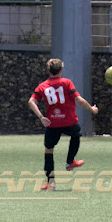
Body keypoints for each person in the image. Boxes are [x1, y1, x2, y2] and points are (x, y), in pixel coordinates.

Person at [28, 58, 99, 191]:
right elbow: (79, 100)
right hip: (68, 121)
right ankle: (70, 161)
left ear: (48, 71)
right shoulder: (66, 83)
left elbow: (31, 101)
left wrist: (41, 117)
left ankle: (51, 183)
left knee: (49, 151)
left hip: (52, 123)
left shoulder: (42, 86)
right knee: (76, 133)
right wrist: (92, 109)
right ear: (61, 70)